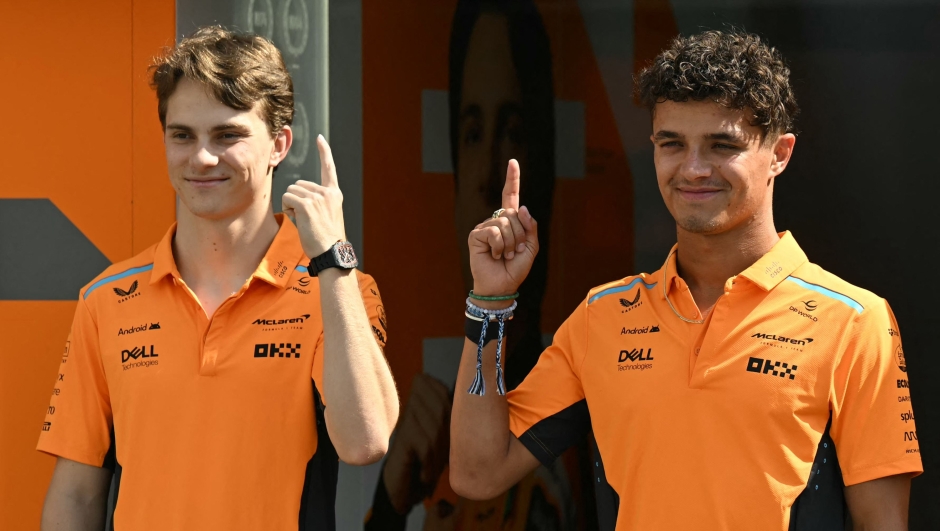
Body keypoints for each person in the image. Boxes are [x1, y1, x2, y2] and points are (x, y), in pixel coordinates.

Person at [450, 29, 922, 530]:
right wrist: (492, 300)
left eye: (722, 144)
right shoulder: (601, 316)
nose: (694, 169)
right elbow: (478, 473)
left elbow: (884, 523)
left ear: (779, 154)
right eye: (672, 143)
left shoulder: (855, 321)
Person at [37, 26, 398, 531]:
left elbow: (366, 442)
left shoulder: (338, 288)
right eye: (182, 135)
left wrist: (332, 261)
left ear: (279, 144)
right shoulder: (106, 300)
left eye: (227, 135)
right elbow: (75, 496)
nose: (202, 157)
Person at [366, 1, 585, 528]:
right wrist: (389, 510)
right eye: (471, 133)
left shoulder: (590, 384)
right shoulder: (421, 433)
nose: (490, 172)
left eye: (512, 131)